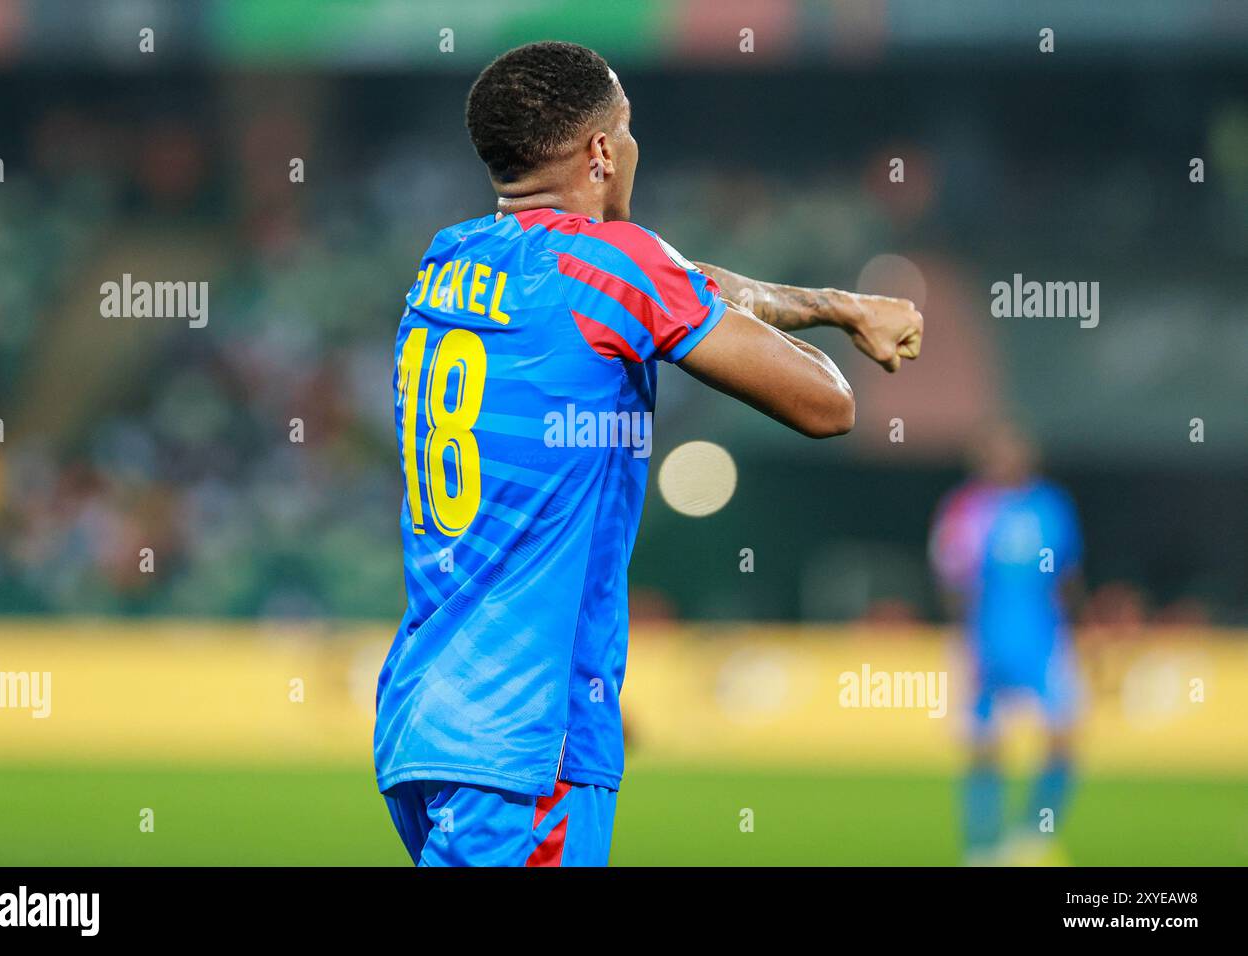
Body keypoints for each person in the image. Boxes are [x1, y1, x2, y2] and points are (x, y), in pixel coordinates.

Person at [375, 40, 923, 866]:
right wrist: (843, 336)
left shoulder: (447, 260)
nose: (633, 148)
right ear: (600, 151)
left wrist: (833, 304)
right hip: (531, 739)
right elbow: (827, 406)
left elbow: (672, 278)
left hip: (424, 721)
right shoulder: (620, 269)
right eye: (625, 130)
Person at [929, 422, 1085, 865]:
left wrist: (1079, 628)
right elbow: (951, 578)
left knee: (1063, 739)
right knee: (983, 746)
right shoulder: (967, 508)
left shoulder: (1050, 504)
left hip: (1043, 635)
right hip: (985, 635)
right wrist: (968, 640)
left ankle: (1035, 836)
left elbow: (1068, 574)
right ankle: (982, 847)